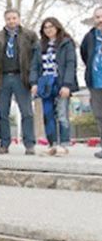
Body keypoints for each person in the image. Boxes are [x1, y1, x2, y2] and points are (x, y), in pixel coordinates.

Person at [0, 9, 38, 155]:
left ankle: (29, 143)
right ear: (5, 20)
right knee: (3, 113)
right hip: (3, 77)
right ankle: (4, 143)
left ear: (19, 18)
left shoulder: (29, 35)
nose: (11, 21)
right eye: (8, 19)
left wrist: (33, 78)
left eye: (14, 18)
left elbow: (35, 57)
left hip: (21, 77)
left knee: (27, 112)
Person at [31, 18, 78, 156]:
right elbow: (34, 66)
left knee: (62, 114)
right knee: (48, 114)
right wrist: (34, 83)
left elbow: (71, 64)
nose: (48, 29)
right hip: (45, 83)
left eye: (51, 26)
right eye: (45, 27)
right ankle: (52, 144)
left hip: (60, 81)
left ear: (57, 27)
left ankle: (63, 144)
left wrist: (67, 85)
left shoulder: (66, 43)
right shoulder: (39, 45)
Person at [80, 6, 102, 159]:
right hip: (96, 82)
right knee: (100, 115)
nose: (100, 20)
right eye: (97, 17)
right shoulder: (90, 36)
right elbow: (84, 53)